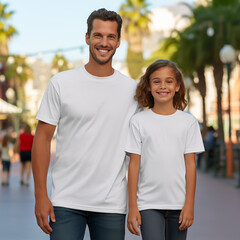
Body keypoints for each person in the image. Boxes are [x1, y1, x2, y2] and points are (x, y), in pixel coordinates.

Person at [32, 8, 138, 240]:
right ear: (87, 38)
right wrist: (40, 194)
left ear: (119, 41)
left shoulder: (133, 91)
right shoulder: (61, 83)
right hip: (65, 201)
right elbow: (42, 138)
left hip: (111, 204)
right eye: (98, 35)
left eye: (111, 36)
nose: (104, 42)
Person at [126, 59, 205, 240]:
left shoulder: (188, 122)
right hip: (148, 204)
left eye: (169, 81)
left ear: (177, 86)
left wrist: (189, 204)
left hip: (179, 204)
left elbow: (191, 166)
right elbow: (134, 164)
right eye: (156, 81)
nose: (163, 86)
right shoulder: (138, 121)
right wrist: (132, 207)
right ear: (148, 86)